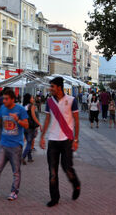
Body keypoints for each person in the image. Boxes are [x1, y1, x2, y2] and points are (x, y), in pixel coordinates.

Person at [40, 77, 81, 208]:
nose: (50, 89)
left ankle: (76, 184)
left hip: (67, 140)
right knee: (52, 171)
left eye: (52, 86)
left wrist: (76, 139)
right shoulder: (49, 101)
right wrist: (42, 137)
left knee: (67, 168)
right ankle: (54, 198)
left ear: (59, 87)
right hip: (53, 140)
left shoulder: (71, 100)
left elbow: (76, 121)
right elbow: (47, 119)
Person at [0, 88, 29, 201]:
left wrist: (17, 120)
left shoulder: (20, 109)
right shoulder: (3, 108)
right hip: (3, 144)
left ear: (12, 99)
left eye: (6, 99)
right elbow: (1, 121)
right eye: (3, 98)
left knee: (16, 171)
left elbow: (27, 125)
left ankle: (14, 192)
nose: (3, 101)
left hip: (16, 146)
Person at [22, 93, 41, 164]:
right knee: (29, 143)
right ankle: (23, 157)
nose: (33, 99)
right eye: (32, 98)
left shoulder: (23, 106)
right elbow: (33, 116)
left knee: (28, 141)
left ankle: (29, 158)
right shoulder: (31, 106)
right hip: (30, 126)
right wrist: (39, 124)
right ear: (29, 99)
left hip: (25, 126)